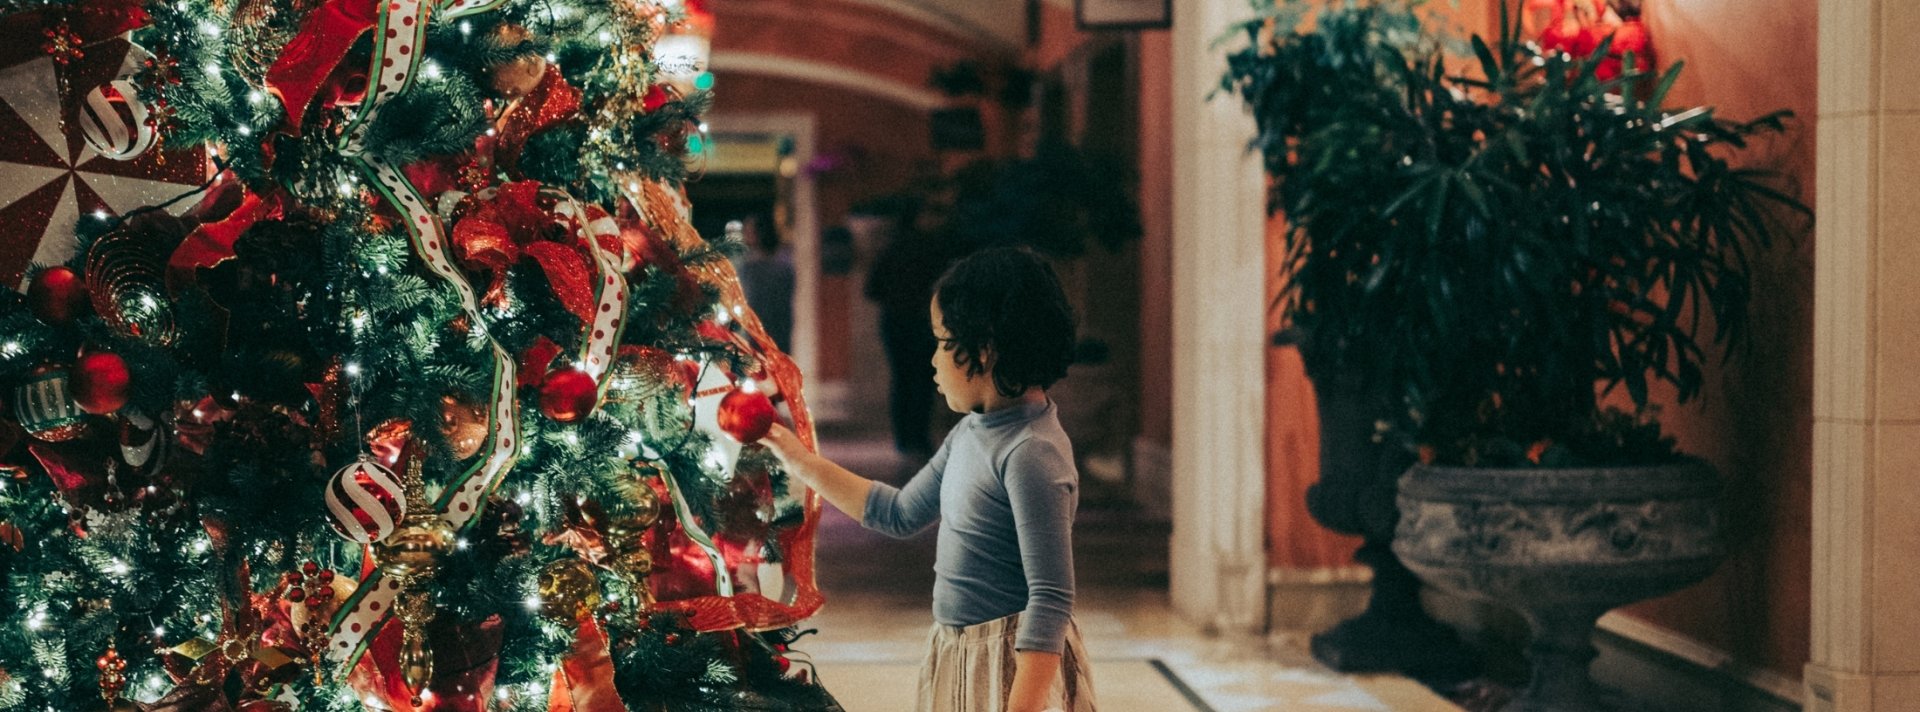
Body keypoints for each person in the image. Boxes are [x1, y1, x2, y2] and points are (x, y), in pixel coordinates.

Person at [764, 247, 1097, 712]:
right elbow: (897, 513)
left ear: (984, 349)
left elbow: (1051, 600)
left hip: (1009, 668)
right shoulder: (972, 432)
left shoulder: (1030, 453)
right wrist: (800, 461)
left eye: (942, 341)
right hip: (959, 652)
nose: (933, 359)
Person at [864, 195, 958, 457]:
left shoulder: (893, 248)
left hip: (895, 321)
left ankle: (904, 436)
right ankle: (918, 437)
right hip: (923, 321)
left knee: (903, 378)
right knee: (924, 379)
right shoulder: (936, 248)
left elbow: (872, 288)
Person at [732, 212, 795, 352]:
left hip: (774, 330)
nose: (745, 236)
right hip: (757, 331)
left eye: (749, 231)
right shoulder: (748, 266)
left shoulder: (778, 266)